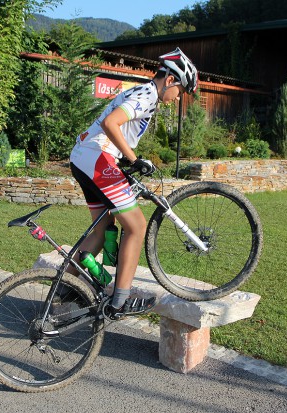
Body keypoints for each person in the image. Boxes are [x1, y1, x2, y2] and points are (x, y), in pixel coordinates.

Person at [69, 48, 198, 320]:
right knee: (136, 226)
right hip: (98, 157)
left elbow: (112, 125)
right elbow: (111, 122)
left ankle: (65, 290)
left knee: (103, 227)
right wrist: (134, 158)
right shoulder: (148, 94)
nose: (177, 99)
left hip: (85, 156)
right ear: (171, 80)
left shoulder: (141, 93)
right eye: (181, 92)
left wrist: (124, 161)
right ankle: (119, 302)